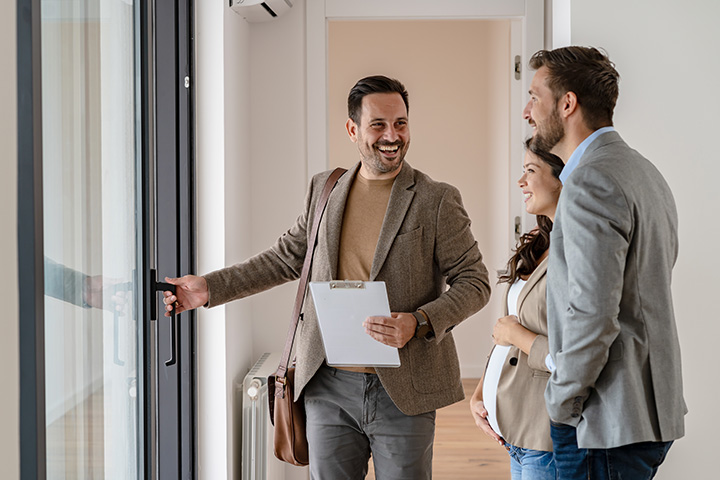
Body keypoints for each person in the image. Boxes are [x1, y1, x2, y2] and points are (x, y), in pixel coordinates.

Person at [162, 75, 492, 479]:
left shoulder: (436, 199)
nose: (392, 135)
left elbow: (474, 282)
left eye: (401, 123)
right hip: (327, 385)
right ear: (353, 129)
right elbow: (285, 259)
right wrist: (210, 288)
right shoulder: (325, 189)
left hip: (404, 389)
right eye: (378, 125)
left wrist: (418, 322)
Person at [527, 46, 686, 478]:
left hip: (604, 419)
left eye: (534, 96)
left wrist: (561, 402)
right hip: (649, 411)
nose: (528, 111)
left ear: (567, 103)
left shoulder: (589, 180)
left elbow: (592, 313)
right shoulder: (644, 171)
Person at [470, 140, 563, 479]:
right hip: (514, 433)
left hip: (544, 434)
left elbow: (572, 355)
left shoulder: (577, 252)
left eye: (530, 171)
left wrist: (514, 334)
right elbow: (506, 330)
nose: (521, 182)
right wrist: (480, 393)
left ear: (561, 177)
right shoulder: (541, 241)